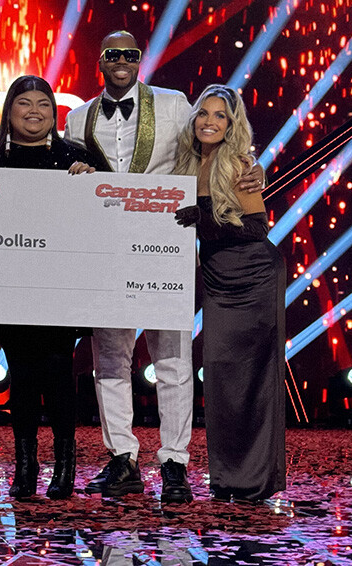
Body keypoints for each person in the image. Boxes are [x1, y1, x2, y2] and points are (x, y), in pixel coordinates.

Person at [64, 30, 264, 504]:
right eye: (112, 53)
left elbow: (212, 140)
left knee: (172, 360)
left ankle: (175, 462)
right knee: (109, 359)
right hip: (104, 250)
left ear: (139, 60)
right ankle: (122, 458)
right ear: (100, 61)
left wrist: (250, 166)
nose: (122, 61)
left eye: (130, 54)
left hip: (165, 245)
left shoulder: (174, 104)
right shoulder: (77, 117)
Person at [0, 75, 96, 500]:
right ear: (9, 110)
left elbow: (108, 212)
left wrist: (92, 182)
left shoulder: (76, 158)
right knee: (22, 377)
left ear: (54, 112)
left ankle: (65, 464)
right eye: (24, 103)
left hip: (64, 288)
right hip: (9, 288)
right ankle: (25, 466)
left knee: (59, 374)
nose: (34, 111)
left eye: (43, 103)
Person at [173, 84, 286, 503]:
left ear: (232, 125)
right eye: (204, 113)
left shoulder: (238, 164)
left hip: (253, 278)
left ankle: (253, 481)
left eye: (220, 115)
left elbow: (257, 228)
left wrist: (204, 221)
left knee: (253, 379)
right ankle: (226, 477)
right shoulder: (186, 162)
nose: (210, 122)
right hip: (218, 281)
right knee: (220, 378)